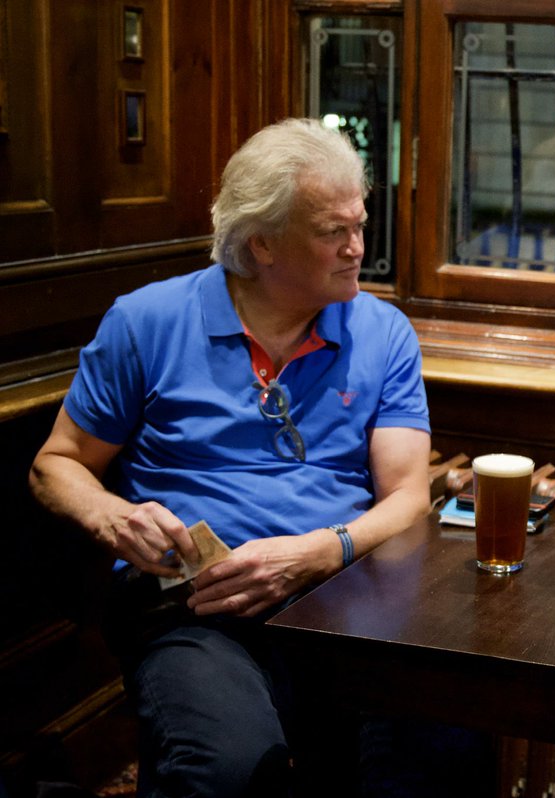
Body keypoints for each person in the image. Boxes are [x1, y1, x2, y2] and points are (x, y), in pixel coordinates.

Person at [28, 118, 433, 797]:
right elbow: (56, 464)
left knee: (434, 754)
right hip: (195, 605)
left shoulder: (382, 331)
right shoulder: (146, 322)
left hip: (344, 600)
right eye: (333, 232)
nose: (357, 248)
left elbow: (408, 498)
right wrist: (110, 517)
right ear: (261, 243)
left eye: (359, 225)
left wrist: (317, 552)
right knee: (230, 772)